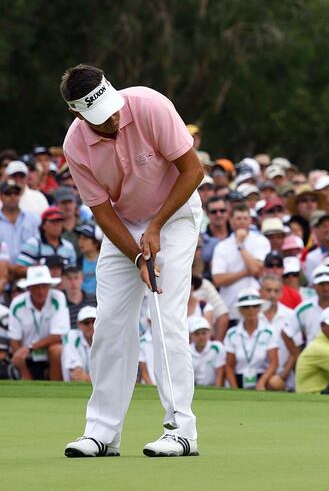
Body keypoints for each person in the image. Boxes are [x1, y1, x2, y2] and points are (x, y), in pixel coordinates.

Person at [61, 64, 204, 457]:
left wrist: (156, 226)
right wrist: (137, 252)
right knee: (109, 323)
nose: (110, 119)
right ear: (77, 114)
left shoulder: (149, 105)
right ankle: (103, 433)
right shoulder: (75, 146)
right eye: (98, 118)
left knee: (164, 316)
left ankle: (181, 430)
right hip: (124, 224)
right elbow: (103, 213)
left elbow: (193, 170)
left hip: (174, 214)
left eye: (110, 109)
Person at [212, 202, 271, 324]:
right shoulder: (221, 247)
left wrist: (240, 244)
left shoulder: (261, 241)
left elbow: (255, 270)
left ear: (250, 220)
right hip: (231, 307)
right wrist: (245, 272)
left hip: (256, 307)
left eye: (245, 218)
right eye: (238, 218)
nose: (242, 221)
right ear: (231, 221)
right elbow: (218, 279)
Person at [8, 265, 69, 381]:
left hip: (47, 353)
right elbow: (14, 339)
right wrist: (20, 357)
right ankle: (26, 383)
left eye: (44, 286)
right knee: (17, 357)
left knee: (56, 350)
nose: (41, 291)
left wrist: (29, 347)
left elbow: (57, 336)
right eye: (36, 287)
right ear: (29, 288)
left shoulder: (58, 298)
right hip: (27, 356)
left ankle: (55, 390)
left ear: (50, 287)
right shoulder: (17, 304)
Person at [223, 289, 280, 390]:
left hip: (262, 377)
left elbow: (274, 362)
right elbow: (229, 365)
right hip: (239, 377)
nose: (251, 309)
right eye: (246, 307)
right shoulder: (232, 334)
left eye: (254, 306)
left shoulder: (269, 332)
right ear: (241, 310)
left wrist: (262, 381)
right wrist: (234, 388)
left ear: (259, 308)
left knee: (275, 382)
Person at [259, 274, 298, 391]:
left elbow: (295, 350)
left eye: (276, 291)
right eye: (268, 290)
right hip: (257, 373)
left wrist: (283, 375)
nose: (272, 295)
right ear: (261, 292)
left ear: (281, 294)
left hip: (284, 375)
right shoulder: (253, 315)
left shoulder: (291, 315)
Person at [14, 206, 77, 278]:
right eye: (53, 221)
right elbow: (17, 270)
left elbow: (73, 271)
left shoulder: (68, 247)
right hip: (39, 287)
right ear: (43, 225)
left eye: (59, 221)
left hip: (63, 288)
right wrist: (40, 270)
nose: (57, 225)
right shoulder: (33, 244)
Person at [0, 180, 40, 266]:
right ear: (1, 196)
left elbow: (40, 243)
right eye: (8, 193)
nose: (12, 196)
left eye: (16, 193)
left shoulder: (33, 218)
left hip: (29, 270)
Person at [62, 306, 96, 382]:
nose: (91, 326)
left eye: (94, 321)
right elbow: (76, 376)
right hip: (73, 389)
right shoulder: (71, 336)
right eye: (86, 322)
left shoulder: (107, 339)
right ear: (79, 324)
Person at [188, 317, 225, 387]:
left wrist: (216, 392)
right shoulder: (187, 351)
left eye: (204, 333)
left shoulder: (217, 347)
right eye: (197, 334)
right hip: (194, 388)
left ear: (209, 333)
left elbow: (220, 373)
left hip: (213, 388)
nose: (201, 337)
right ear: (191, 336)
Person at [75, 223, 101, 295]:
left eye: (85, 239)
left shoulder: (105, 262)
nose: (80, 242)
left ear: (96, 243)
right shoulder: (77, 262)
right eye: (79, 238)